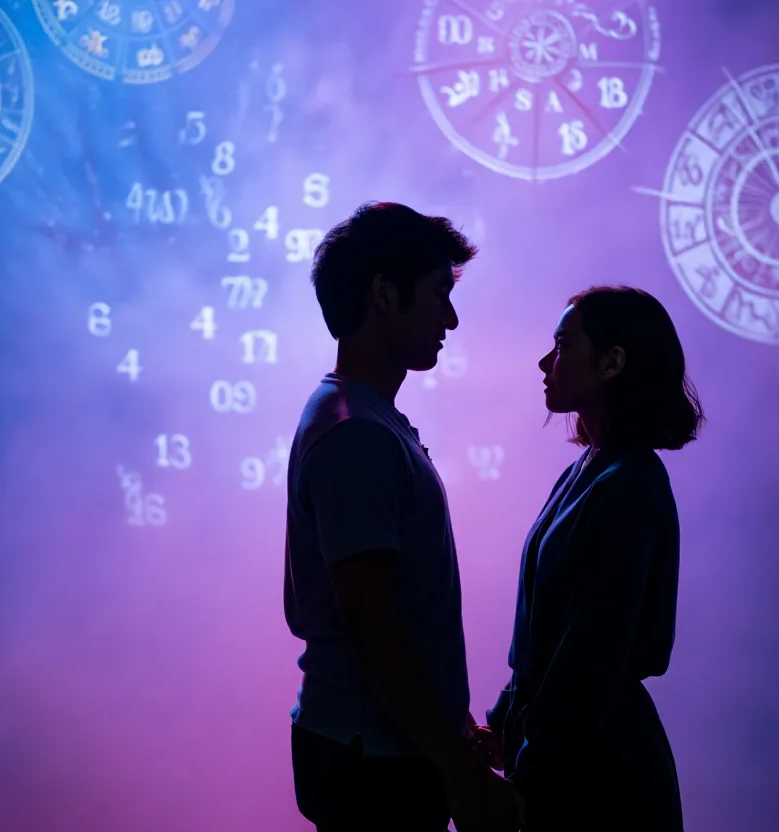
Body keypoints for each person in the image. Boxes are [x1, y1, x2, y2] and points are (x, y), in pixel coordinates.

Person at [283, 202, 524, 832]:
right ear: (385, 294)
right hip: (375, 758)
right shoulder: (356, 432)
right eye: (439, 294)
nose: (450, 318)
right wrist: (463, 773)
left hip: (374, 745)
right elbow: (373, 626)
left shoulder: (358, 415)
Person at [473, 285, 703, 831]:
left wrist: (530, 767)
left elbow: (589, 656)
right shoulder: (588, 470)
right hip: (572, 753)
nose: (545, 362)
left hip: (599, 774)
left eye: (563, 345)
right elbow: (548, 639)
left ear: (612, 363)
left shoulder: (630, 484)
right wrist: (506, 726)